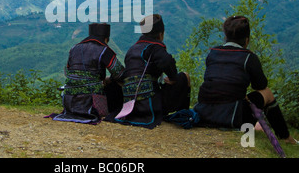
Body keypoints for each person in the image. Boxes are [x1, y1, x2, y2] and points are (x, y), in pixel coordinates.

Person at [194, 15, 297, 144]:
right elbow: (260, 85)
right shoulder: (249, 57)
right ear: (247, 40)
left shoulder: (212, 53)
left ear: (225, 36)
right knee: (267, 93)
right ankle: (286, 137)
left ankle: (260, 127)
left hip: (203, 114)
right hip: (231, 117)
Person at [106, 14, 191, 129]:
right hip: (150, 105)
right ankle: (184, 115)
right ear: (161, 34)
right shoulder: (154, 47)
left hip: (128, 103)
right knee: (184, 77)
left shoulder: (132, 49)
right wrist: (173, 78)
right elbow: (166, 61)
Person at [51, 23, 124, 124]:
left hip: (69, 100)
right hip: (91, 101)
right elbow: (119, 74)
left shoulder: (74, 48)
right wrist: (108, 79)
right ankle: (116, 111)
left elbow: (67, 72)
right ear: (106, 38)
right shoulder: (104, 50)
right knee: (115, 85)